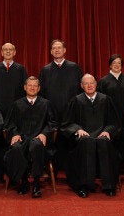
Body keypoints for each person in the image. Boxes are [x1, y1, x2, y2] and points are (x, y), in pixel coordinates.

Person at [61, 74, 121, 198]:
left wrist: (107, 131)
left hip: (102, 135)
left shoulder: (105, 99)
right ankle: (84, 186)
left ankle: (108, 186)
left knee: (104, 142)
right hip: (84, 137)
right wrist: (78, 130)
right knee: (86, 142)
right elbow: (67, 123)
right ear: (81, 86)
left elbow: (114, 122)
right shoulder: (76, 101)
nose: (89, 86)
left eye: (91, 83)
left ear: (96, 84)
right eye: (86, 83)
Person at [4, 76, 57, 198]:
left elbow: (52, 124)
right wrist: (15, 134)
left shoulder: (46, 104)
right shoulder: (17, 104)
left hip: (39, 139)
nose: (32, 88)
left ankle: (36, 184)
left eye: (35, 86)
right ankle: (23, 181)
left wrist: (44, 134)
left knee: (37, 145)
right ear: (25, 87)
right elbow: (10, 124)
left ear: (38, 88)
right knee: (16, 148)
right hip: (22, 138)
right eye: (29, 85)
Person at [0, 42, 28, 183]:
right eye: (5, 50)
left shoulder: (20, 69)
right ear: (2, 52)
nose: (8, 52)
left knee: (14, 142)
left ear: (15, 52)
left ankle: (14, 173)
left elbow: (24, 92)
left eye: (11, 50)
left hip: (16, 113)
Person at [38, 39, 83, 173]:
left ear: (64, 50)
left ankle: (72, 170)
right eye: (54, 48)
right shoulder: (45, 70)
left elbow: (80, 90)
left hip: (71, 112)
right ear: (51, 52)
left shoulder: (74, 67)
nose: (57, 50)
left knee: (71, 141)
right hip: (52, 112)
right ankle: (53, 170)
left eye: (59, 48)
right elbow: (42, 92)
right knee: (53, 141)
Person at [97, 54, 124, 178]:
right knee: (112, 144)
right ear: (110, 65)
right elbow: (100, 102)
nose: (117, 65)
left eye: (119, 63)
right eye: (114, 63)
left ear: (122, 65)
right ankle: (112, 171)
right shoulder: (103, 81)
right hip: (111, 119)